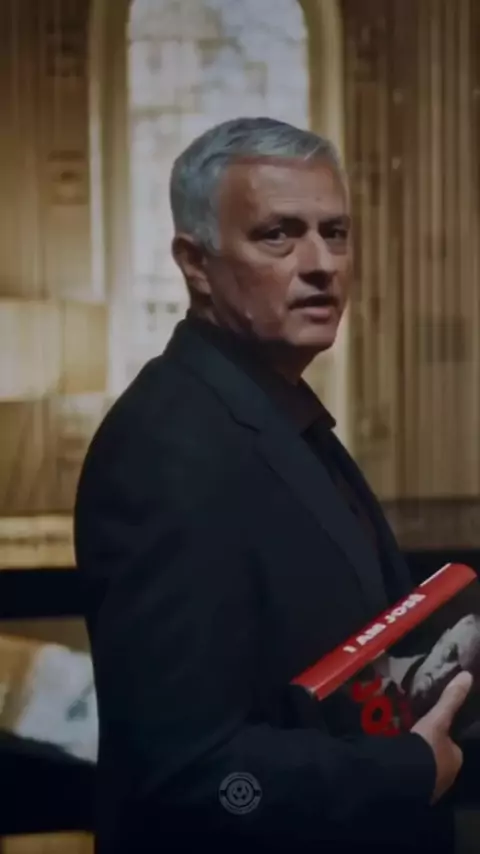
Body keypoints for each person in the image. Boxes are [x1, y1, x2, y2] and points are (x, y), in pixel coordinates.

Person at [73, 117, 472, 853]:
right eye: (279, 235)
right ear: (195, 263)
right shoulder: (163, 449)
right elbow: (190, 771)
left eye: (336, 232)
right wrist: (406, 771)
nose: (322, 264)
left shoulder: (270, 409)